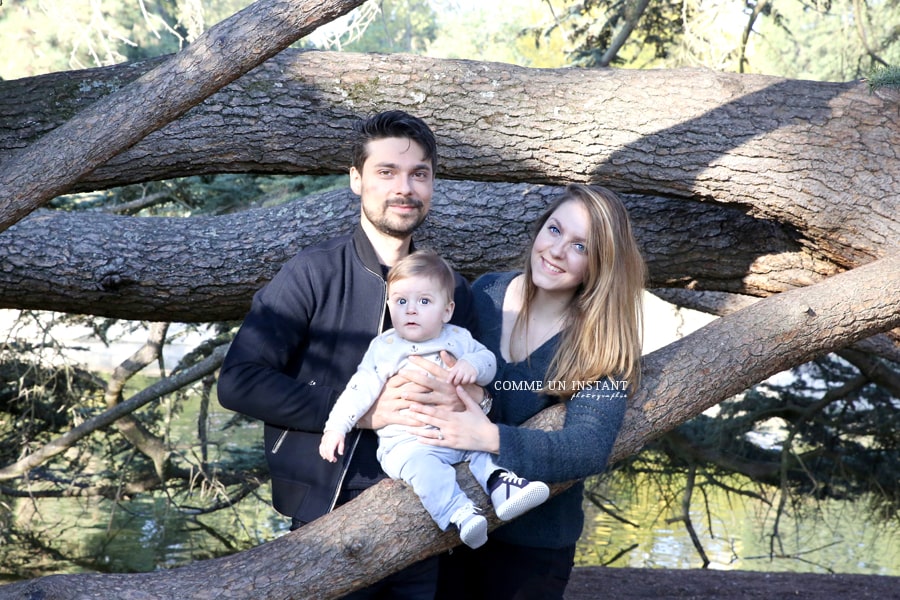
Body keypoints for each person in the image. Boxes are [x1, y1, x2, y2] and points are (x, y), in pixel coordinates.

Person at [217, 110, 479, 598]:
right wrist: (361, 413)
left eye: (419, 174)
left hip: (423, 510)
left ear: (432, 185)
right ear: (356, 180)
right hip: (326, 512)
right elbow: (238, 381)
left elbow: (482, 394)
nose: (405, 188)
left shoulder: (452, 291)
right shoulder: (312, 273)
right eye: (387, 172)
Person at [403, 183, 646, 599]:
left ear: (600, 265)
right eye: (554, 231)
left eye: (580, 247)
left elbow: (588, 447)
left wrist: (489, 437)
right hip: (451, 527)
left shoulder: (602, 342)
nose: (556, 251)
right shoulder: (485, 294)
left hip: (533, 548)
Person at [319, 250, 550, 549]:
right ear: (390, 306)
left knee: (483, 449)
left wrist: (472, 367)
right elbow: (358, 390)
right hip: (409, 443)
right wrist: (336, 427)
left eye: (424, 301)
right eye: (401, 301)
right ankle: (459, 513)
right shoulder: (386, 347)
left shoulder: (458, 337)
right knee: (427, 473)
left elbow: (488, 362)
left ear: (447, 310)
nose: (411, 310)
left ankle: (502, 485)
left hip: (457, 432)